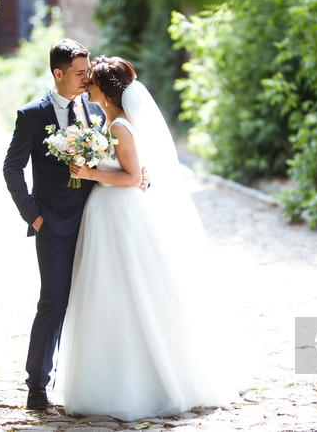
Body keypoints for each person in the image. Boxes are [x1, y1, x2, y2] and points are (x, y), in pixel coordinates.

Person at [54, 56, 240, 420]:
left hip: (120, 212)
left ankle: (141, 381)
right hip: (106, 212)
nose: (86, 85)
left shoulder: (120, 128)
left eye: (91, 81)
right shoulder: (107, 122)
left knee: (129, 289)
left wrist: (90, 174)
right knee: (108, 292)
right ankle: (111, 376)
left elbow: (131, 176)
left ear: (105, 91)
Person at [3, 39, 108, 410]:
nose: (87, 77)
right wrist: (34, 215)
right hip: (53, 226)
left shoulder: (97, 111)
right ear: (58, 73)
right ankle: (37, 385)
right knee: (54, 302)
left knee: (99, 300)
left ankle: (93, 381)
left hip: (99, 221)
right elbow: (11, 168)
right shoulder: (32, 115)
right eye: (80, 72)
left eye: (88, 70)